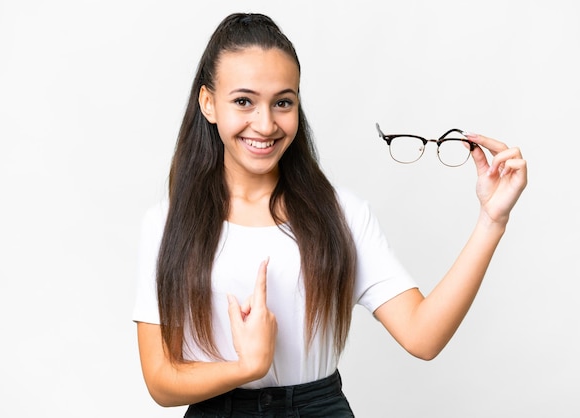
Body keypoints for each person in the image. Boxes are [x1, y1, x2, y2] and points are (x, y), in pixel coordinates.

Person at [132, 12, 527, 417]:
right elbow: (161, 380)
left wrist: (491, 220)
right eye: (244, 101)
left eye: (283, 102)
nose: (265, 124)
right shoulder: (166, 226)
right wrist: (245, 368)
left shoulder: (340, 215)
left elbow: (422, 336)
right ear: (209, 103)